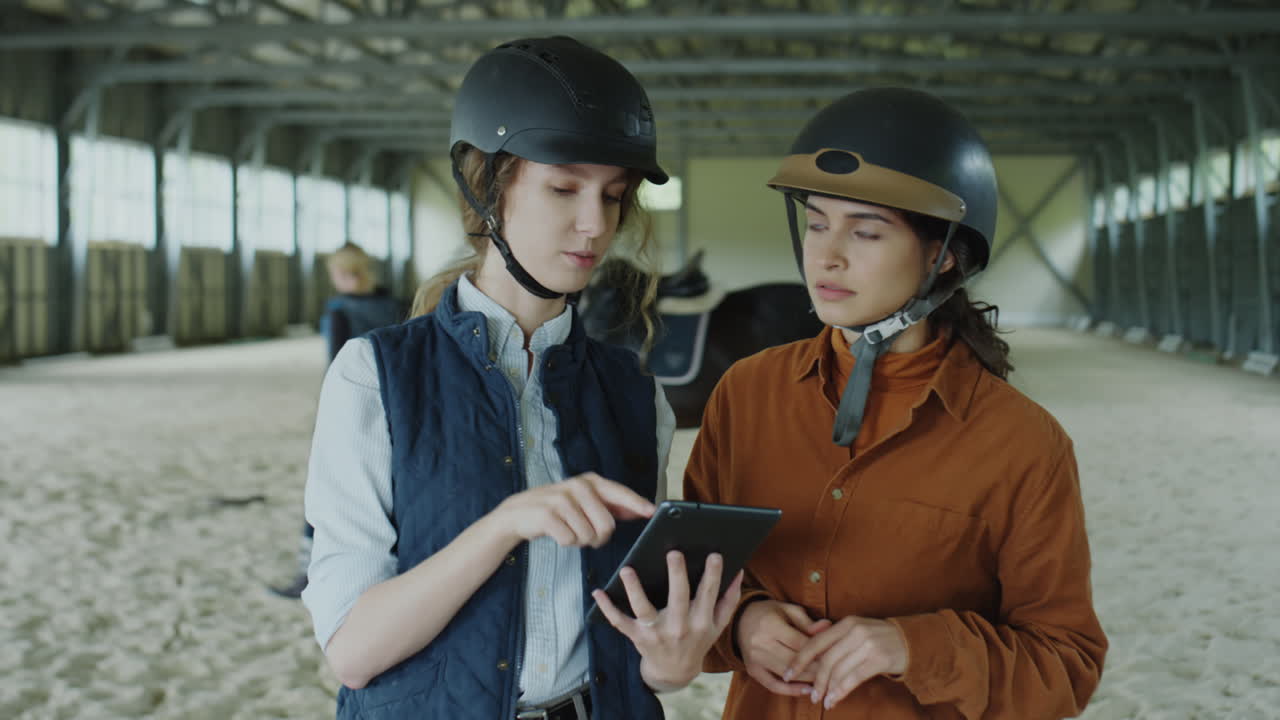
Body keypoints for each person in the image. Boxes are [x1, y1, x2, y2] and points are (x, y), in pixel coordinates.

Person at [300, 36, 742, 720]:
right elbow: (353, 653)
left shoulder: (634, 392)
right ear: (487, 187)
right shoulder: (372, 376)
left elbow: (638, 645)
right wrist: (503, 525)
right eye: (564, 187)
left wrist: (670, 661)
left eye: (615, 196)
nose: (596, 225)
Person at [683, 87, 1108, 719]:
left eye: (867, 232)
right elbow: (690, 578)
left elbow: (1066, 667)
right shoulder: (745, 395)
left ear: (944, 257)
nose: (826, 255)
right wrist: (741, 623)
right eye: (818, 222)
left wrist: (913, 647)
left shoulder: (1025, 446)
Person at [270, 242, 405, 598]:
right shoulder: (394, 304)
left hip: (357, 407)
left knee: (330, 489)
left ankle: (308, 573)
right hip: (399, 406)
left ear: (344, 275)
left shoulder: (339, 309)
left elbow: (337, 366)